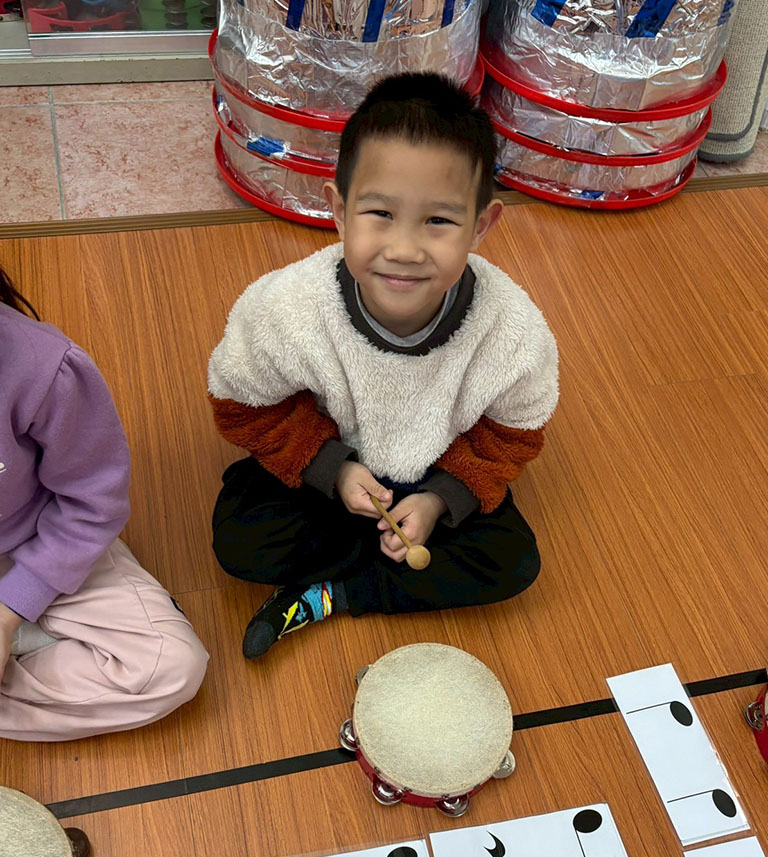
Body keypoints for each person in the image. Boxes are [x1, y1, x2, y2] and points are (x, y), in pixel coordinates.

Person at [208, 72, 559, 660]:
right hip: (326, 470)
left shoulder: (512, 331)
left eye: (438, 221)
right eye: (380, 213)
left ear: (481, 226)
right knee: (241, 539)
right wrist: (332, 469)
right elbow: (241, 404)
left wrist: (440, 499)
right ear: (340, 212)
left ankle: (332, 595)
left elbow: (513, 435)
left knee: (514, 561)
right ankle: (375, 569)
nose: (403, 250)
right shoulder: (288, 309)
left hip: (434, 474)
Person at [0, 266, 208, 741]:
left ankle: (22, 631)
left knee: (171, 666)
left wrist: (10, 609)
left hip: (38, 541)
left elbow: (92, 505)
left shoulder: (43, 367)